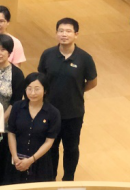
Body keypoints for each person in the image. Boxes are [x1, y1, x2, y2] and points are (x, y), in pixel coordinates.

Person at [37, 17, 97, 181]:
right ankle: (50, 179)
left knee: (71, 148)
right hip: (49, 111)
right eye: (61, 31)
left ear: (76, 34)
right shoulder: (48, 54)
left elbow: (92, 82)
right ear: (56, 33)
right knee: (50, 146)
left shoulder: (84, 58)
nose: (64, 34)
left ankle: (68, 179)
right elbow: (41, 79)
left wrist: (76, 91)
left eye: (68, 31)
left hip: (73, 112)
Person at [7, 73, 62, 184]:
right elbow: (11, 133)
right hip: (17, 160)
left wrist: (31, 160)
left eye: (37, 89)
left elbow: (49, 141)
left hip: (40, 162)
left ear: (45, 90)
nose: (32, 93)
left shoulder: (53, 113)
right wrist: (15, 157)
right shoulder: (17, 107)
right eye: (29, 89)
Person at [0, 34, 25, 186]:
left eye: (3, 50)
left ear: (9, 52)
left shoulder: (17, 74)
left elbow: (15, 102)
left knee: (1, 163)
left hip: (5, 125)